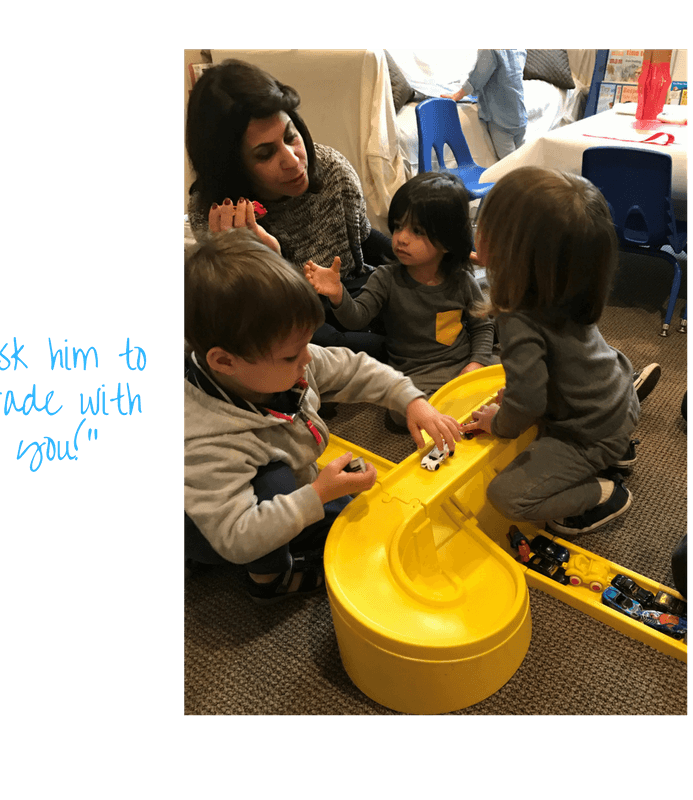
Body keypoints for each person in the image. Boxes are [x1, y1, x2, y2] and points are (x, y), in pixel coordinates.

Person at [184, 229, 462, 603]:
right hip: (216, 526)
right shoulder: (205, 440)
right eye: (290, 355)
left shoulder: (281, 363)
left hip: (249, 488)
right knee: (278, 489)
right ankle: (268, 580)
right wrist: (317, 494)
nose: (309, 358)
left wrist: (411, 400)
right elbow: (237, 535)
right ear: (224, 361)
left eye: (305, 344)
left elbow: (353, 369)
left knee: (342, 511)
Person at [467, 166, 652, 535]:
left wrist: (498, 422)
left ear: (511, 251)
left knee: (506, 497)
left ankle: (602, 492)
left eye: (483, 225)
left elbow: (528, 403)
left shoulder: (516, 318)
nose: (476, 231)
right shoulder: (563, 285)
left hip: (586, 433)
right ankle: (616, 447)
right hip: (615, 395)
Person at [186, 59, 390, 358]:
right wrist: (263, 261)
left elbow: (364, 241)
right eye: (265, 154)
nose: (293, 161)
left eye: (290, 136)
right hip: (282, 313)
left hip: (348, 294)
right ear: (233, 168)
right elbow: (260, 320)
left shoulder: (333, 170)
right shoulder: (216, 214)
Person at [303, 172, 496, 426]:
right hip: (417, 374)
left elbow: (482, 325)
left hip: (462, 365)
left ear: (447, 243)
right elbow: (357, 318)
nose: (401, 238)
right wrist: (339, 295)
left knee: (507, 376)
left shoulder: (462, 279)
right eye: (397, 226)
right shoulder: (386, 278)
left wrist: (476, 362)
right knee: (399, 414)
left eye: (417, 231)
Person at [450, 50, 527, 160]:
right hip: (520, 114)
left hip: (501, 118)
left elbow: (477, 77)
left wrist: (458, 95)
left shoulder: (491, 51)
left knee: (509, 165)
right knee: (523, 160)